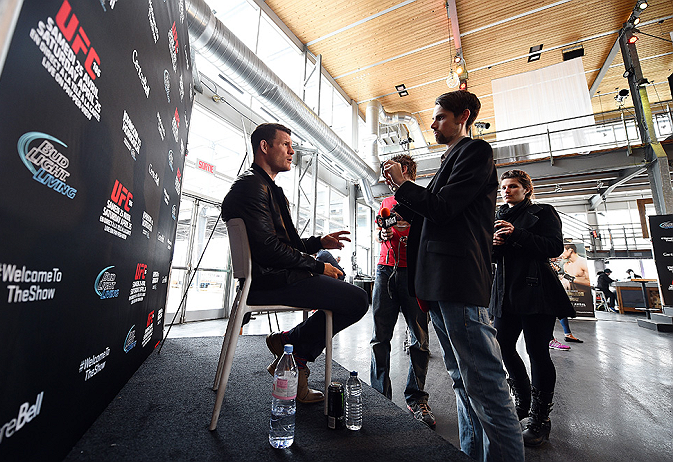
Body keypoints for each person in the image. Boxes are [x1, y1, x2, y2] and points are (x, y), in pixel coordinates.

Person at [383, 91, 524, 462]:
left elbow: (443, 209)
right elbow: (433, 215)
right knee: (462, 381)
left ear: (463, 116)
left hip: (458, 279)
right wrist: (402, 201)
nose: (433, 124)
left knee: (486, 385)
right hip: (439, 282)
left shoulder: (475, 152)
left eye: (440, 117)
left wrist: (403, 186)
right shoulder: (450, 159)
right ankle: (472, 453)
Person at [221, 123, 369, 403]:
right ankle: (294, 349)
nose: (292, 152)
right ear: (264, 147)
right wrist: (316, 267)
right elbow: (270, 250)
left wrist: (318, 244)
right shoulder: (252, 187)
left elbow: (284, 244)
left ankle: (290, 342)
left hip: (275, 275)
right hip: (269, 282)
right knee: (358, 301)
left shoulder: (264, 186)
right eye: (286, 145)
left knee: (327, 261)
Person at [491, 169, 576, 447]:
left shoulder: (544, 212)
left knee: (537, 352)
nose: (507, 190)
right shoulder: (497, 216)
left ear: (526, 189)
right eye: (504, 186)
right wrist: (493, 246)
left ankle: (540, 420)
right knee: (502, 345)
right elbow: (494, 256)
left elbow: (553, 247)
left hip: (536, 290)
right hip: (504, 290)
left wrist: (517, 234)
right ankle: (523, 401)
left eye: (513, 186)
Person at [370, 154, 434, 429]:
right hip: (385, 270)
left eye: (388, 170)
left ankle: (416, 397)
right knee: (379, 338)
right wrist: (382, 235)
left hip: (414, 273)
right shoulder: (386, 201)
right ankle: (378, 397)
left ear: (404, 169)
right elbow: (381, 231)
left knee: (419, 340)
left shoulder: (423, 197)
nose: (384, 176)